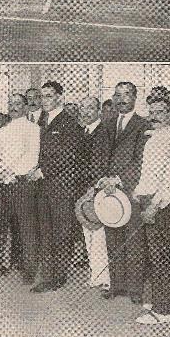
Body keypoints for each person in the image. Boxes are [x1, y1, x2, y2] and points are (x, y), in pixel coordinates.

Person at [133, 93, 170, 325]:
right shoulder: (155, 138)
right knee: (161, 255)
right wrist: (138, 192)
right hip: (150, 200)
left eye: (161, 113)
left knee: (162, 257)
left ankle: (162, 310)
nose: (155, 117)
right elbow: (150, 173)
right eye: (152, 112)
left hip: (165, 205)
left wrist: (155, 206)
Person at [96, 82, 150, 304]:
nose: (121, 99)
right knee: (113, 239)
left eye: (126, 95)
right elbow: (98, 156)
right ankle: (117, 286)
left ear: (135, 98)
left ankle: (135, 290)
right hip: (108, 192)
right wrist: (103, 180)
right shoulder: (107, 124)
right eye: (117, 95)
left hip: (131, 191)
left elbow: (141, 160)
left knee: (134, 242)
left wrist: (118, 180)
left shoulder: (143, 125)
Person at [30, 81, 85, 292]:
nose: (45, 100)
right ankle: (48, 275)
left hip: (61, 188)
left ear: (60, 97)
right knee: (45, 232)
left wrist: (43, 170)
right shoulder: (43, 120)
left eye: (50, 96)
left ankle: (58, 276)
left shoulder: (68, 123)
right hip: (44, 188)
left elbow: (68, 156)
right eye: (43, 96)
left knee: (61, 234)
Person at [0, 92, 41, 284]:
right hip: (2, 186)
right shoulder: (2, 130)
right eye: (11, 104)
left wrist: (12, 173)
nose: (14, 107)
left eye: (18, 104)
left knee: (26, 230)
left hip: (22, 185)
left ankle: (29, 271)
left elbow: (32, 157)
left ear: (26, 107)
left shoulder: (34, 129)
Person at [77, 97, 112, 290]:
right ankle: (96, 274)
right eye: (83, 108)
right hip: (84, 190)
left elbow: (101, 162)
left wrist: (93, 186)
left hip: (96, 190)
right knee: (89, 232)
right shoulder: (84, 131)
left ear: (98, 110)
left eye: (90, 108)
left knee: (99, 235)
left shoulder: (103, 132)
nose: (86, 111)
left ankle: (105, 277)